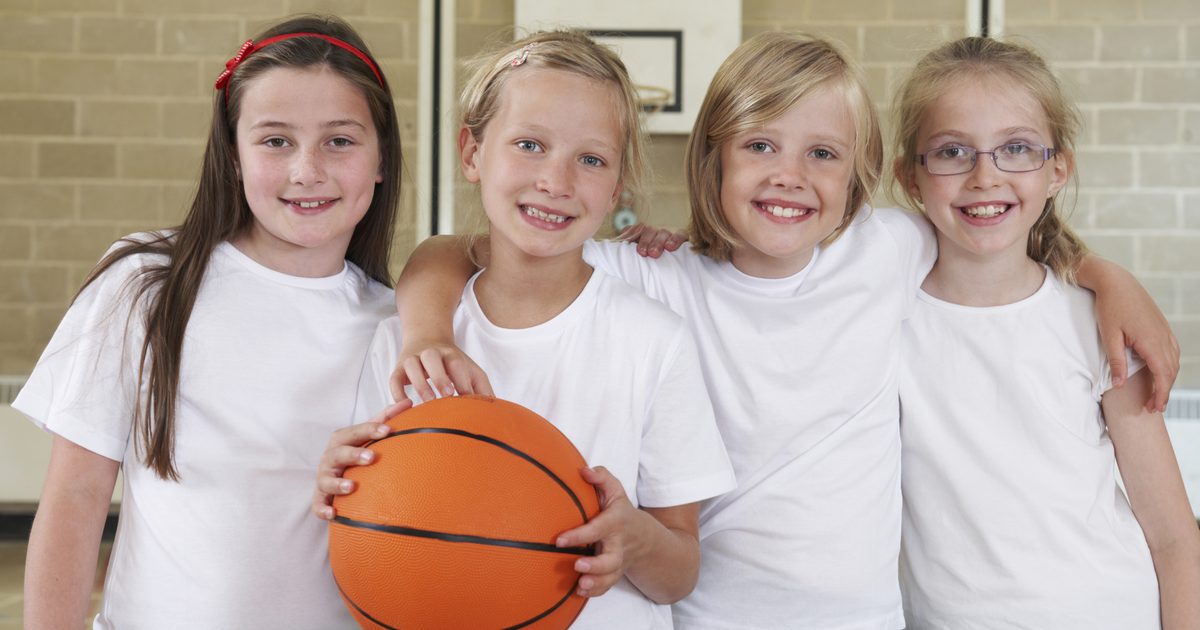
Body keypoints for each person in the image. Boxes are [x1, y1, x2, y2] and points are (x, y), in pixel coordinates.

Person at [358, 33, 1178, 629]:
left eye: (823, 153)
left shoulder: (885, 249)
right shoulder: (655, 276)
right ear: (713, 158)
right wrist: (426, 327)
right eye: (759, 145)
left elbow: (999, 223)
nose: (790, 175)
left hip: (864, 619)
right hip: (705, 614)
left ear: (863, 175)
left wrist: (1107, 276)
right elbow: (459, 251)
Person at [314, 31, 735, 629]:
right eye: (530, 144)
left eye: (591, 159)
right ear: (471, 153)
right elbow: (369, 532)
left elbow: (680, 569)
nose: (556, 180)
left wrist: (635, 541)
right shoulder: (407, 341)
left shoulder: (653, 341)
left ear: (616, 187)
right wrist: (340, 482)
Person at [16, 15, 404, 630]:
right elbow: (75, 497)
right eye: (275, 140)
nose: (308, 169)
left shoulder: (398, 325)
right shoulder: (148, 284)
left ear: (381, 158)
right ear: (233, 155)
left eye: (340, 140)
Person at [892, 36, 1200, 629]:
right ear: (911, 176)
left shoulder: (1098, 323)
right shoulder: (883, 319)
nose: (985, 176)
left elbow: (1173, 540)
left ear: (1058, 170)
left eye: (1016, 149)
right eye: (953, 150)